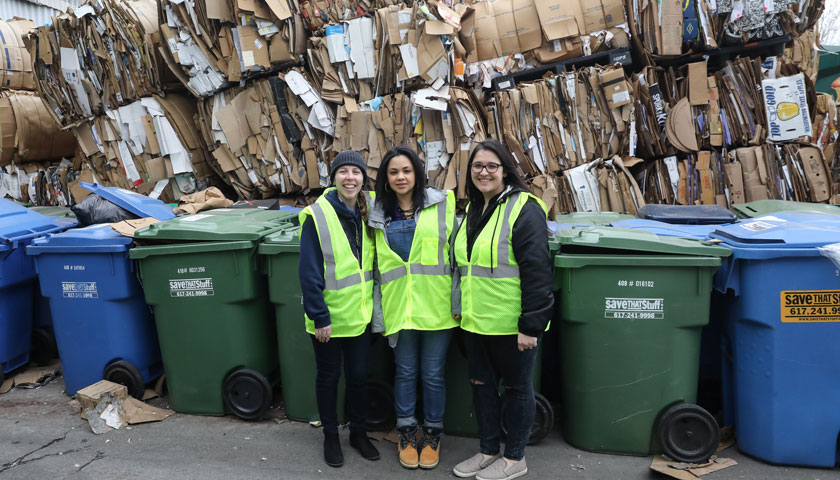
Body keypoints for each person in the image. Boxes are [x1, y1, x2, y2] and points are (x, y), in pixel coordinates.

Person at [450, 139, 553, 480]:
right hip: (477, 323)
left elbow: (538, 270)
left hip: (512, 326)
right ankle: (487, 450)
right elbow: (463, 270)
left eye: (492, 166)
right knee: (481, 386)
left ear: (506, 170)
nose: (484, 172)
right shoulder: (472, 210)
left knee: (517, 389)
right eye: (477, 166)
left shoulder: (525, 208)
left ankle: (514, 458)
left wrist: (531, 325)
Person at [368, 146, 457, 470]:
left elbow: (457, 258)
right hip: (400, 310)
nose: (400, 177)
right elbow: (377, 271)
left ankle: (432, 434)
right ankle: (407, 431)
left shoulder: (441, 205)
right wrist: (379, 318)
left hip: (437, 308)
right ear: (386, 179)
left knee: (432, 375)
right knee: (405, 373)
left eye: (406, 170)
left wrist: (458, 303)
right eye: (393, 172)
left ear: (417, 173)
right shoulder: (378, 213)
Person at [299, 150, 380, 468]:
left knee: (360, 377)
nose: (350, 178)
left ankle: (358, 433)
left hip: (359, 317)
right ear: (333, 178)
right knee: (329, 378)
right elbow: (309, 272)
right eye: (343, 171)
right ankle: (331, 436)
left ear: (363, 178)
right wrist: (320, 316)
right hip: (328, 320)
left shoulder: (368, 211)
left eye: (356, 172)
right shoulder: (317, 215)